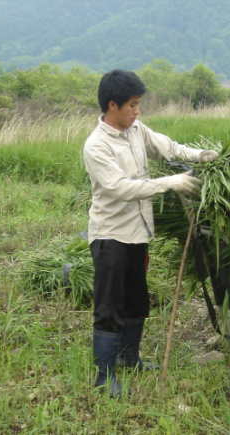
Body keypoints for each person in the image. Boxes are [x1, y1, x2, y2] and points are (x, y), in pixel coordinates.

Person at [83, 69, 218, 397]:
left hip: (138, 234)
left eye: (138, 104)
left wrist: (200, 156)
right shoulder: (96, 146)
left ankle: (130, 358)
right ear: (112, 105)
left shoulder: (136, 131)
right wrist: (169, 182)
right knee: (109, 306)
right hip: (110, 236)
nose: (137, 111)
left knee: (137, 301)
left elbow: (167, 147)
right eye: (132, 105)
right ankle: (105, 376)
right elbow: (119, 188)